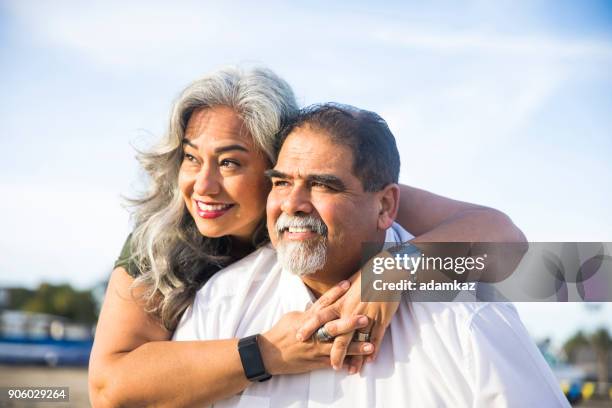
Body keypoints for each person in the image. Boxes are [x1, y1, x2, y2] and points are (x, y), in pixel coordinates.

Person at [88, 67, 526, 407]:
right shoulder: (166, 242)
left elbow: (519, 251)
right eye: (190, 158)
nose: (203, 186)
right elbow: (109, 389)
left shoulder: (351, 196)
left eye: (230, 163)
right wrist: (266, 354)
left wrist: (396, 267)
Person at [173, 103, 568, 407]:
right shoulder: (221, 302)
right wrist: (264, 355)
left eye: (322, 186)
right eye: (281, 182)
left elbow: (534, 256)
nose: (293, 203)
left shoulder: (466, 317)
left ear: (385, 206)